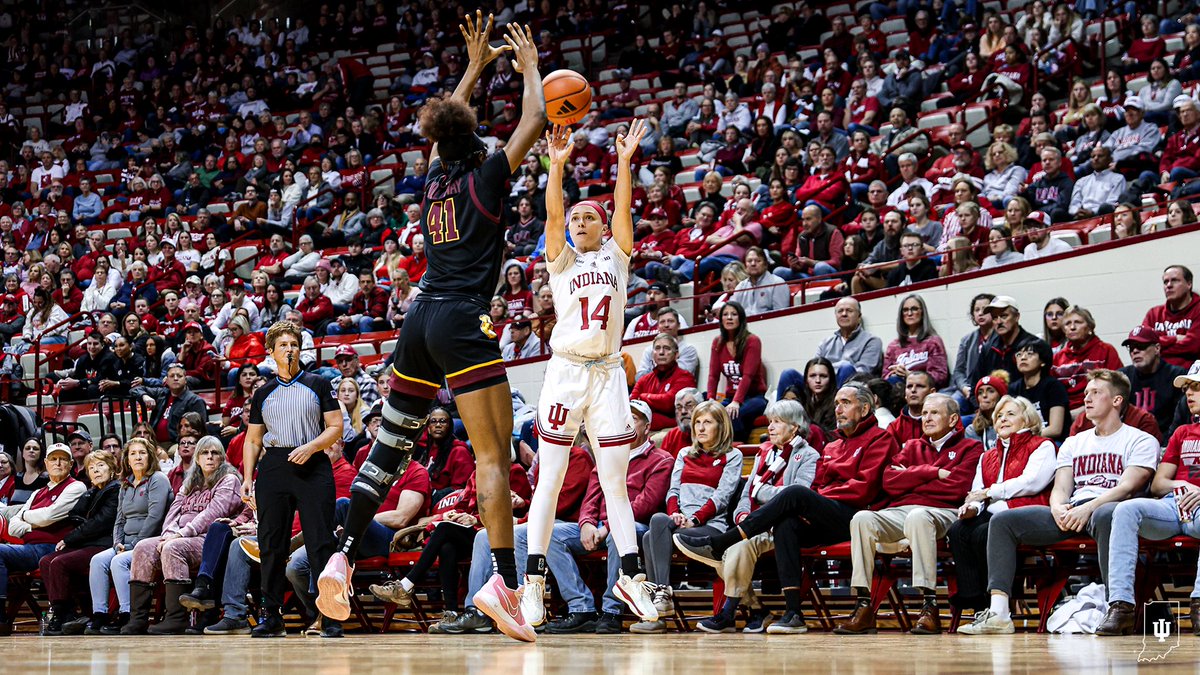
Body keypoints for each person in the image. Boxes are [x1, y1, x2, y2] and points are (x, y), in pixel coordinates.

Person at [317, 13, 549, 643]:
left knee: (389, 448)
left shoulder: (435, 176)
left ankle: (338, 554)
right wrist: (528, 67)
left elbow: (445, 123)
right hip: (460, 320)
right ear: (478, 146)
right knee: (494, 455)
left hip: (415, 318)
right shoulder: (484, 174)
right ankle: (503, 584)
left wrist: (473, 68)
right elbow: (534, 121)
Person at [509, 119, 658, 628]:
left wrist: (622, 162)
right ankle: (532, 584)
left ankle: (632, 577)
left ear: (601, 224)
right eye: (573, 219)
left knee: (615, 481)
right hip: (567, 372)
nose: (577, 223)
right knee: (548, 477)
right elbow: (553, 211)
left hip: (610, 374)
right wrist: (556, 165)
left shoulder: (617, 256)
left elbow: (623, 210)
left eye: (586, 218)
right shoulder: (561, 263)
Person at [673, 383, 897, 634]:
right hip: (814, 516)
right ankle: (792, 613)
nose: (838, 409)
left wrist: (814, 495)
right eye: (836, 404)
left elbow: (861, 489)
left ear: (865, 408)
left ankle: (722, 542)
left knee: (795, 494)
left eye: (845, 403)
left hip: (856, 517)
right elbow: (810, 486)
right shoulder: (832, 446)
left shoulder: (880, 438)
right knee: (786, 522)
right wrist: (748, 511)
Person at [958, 371, 1158, 635]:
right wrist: (1058, 507)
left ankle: (1118, 606)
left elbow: (1128, 487)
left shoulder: (1140, 439)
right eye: (1086, 393)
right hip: (1073, 510)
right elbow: (1062, 486)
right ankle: (999, 612)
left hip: (1112, 510)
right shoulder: (1074, 442)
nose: (1086, 398)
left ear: (1117, 400)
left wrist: (1088, 507)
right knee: (1003, 521)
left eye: (1096, 392)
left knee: (1109, 513)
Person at [835, 394, 983, 635]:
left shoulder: (971, 447)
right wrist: (933, 472)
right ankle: (863, 605)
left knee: (919, 517)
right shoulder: (913, 445)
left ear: (953, 418)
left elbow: (958, 487)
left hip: (944, 511)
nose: (927, 418)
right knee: (862, 518)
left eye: (934, 413)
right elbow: (889, 481)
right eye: (924, 413)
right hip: (900, 510)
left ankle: (929, 606)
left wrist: (911, 477)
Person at [242, 321, 343, 638]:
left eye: (294, 344)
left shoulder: (319, 383)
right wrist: (247, 478)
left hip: (312, 464)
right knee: (271, 545)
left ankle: (328, 616)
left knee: (321, 542)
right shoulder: (263, 392)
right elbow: (253, 440)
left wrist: (312, 446)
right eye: (283, 344)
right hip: (273, 467)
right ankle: (271, 616)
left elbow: (336, 426)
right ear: (270, 352)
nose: (290, 349)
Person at [694, 400, 820, 633]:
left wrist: (762, 493)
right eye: (769, 422)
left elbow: (798, 495)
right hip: (754, 524)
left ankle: (728, 612)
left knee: (736, 547)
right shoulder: (765, 453)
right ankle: (755, 611)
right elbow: (746, 492)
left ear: (794, 427)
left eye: (777, 422)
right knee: (730, 550)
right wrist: (743, 513)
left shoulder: (809, 455)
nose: (770, 427)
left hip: (785, 527)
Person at [1095, 366, 1200, 635]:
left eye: (1196, 387)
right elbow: (1159, 483)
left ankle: (1199, 604)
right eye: (1187, 387)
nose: (1189, 393)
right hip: (1173, 506)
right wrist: (1183, 484)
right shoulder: (1182, 432)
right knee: (1126, 509)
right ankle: (1121, 606)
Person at [631, 401, 743, 634]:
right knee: (656, 524)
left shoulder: (733, 456)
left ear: (721, 426)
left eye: (707, 423)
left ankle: (657, 611)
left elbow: (723, 496)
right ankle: (662, 600)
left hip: (711, 526)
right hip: (680, 522)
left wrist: (695, 519)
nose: (700, 428)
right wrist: (675, 513)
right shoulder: (684, 453)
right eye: (697, 423)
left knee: (651, 535)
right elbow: (673, 491)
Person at [121, 436, 241, 636]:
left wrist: (178, 535)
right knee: (142, 547)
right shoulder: (190, 482)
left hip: (208, 539)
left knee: (173, 548)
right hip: (178, 535)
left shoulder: (229, 480)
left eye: (215, 453)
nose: (210, 457)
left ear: (222, 458)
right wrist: (168, 533)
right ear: (197, 458)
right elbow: (173, 511)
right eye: (204, 452)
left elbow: (211, 514)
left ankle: (176, 618)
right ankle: (138, 619)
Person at [947, 395, 1057, 612]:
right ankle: (974, 599)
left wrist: (990, 492)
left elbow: (1032, 483)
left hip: (1026, 512)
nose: (1002, 419)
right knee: (958, 530)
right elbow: (978, 492)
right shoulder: (987, 455)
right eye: (998, 416)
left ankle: (995, 600)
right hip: (995, 512)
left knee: (983, 533)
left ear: (1026, 419)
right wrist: (972, 508)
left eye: (1010, 414)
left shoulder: (1043, 446)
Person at [85, 437, 172, 635]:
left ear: (150, 456)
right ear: (127, 460)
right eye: (133, 453)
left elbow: (155, 518)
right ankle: (100, 615)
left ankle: (127, 614)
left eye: (142, 452)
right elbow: (119, 519)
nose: (138, 457)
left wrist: (133, 544)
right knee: (98, 560)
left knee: (119, 562)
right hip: (126, 543)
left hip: (152, 541)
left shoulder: (158, 479)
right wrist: (117, 543)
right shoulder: (126, 484)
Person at [0, 443, 86, 634]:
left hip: (53, 548)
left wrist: (26, 519)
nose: (57, 463)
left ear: (71, 464)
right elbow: (13, 526)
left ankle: (1, 617)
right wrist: (34, 521)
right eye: (53, 459)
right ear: (46, 463)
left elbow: (49, 516)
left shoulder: (76, 486)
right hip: (30, 549)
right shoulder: (38, 492)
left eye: (62, 459)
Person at [39, 450, 119, 635]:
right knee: (45, 561)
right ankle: (68, 613)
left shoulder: (115, 490)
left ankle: (59, 614)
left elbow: (101, 523)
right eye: (91, 467)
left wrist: (69, 538)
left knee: (60, 563)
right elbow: (74, 516)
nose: (96, 470)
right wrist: (82, 527)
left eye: (101, 465)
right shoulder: (92, 492)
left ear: (112, 468)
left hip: (104, 544)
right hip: (87, 543)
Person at [707, 302, 768, 442]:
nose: (729, 318)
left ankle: (739, 448)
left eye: (734, 314)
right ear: (720, 319)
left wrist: (736, 401)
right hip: (730, 397)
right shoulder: (717, 342)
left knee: (734, 413)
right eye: (725, 314)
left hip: (754, 397)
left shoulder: (752, 341)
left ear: (740, 318)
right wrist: (710, 399)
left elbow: (748, 376)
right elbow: (713, 375)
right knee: (710, 414)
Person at [1119, 325, 1186, 439]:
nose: (1135, 351)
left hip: (1166, 442)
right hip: (1129, 442)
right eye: (1131, 347)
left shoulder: (1176, 376)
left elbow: (1181, 420)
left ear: (1157, 348)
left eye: (1141, 346)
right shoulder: (1122, 377)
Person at [1051, 306, 1123, 411]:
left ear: (1090, 327)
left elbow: (1118, 386)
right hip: (1064, 412)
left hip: (1099, 409)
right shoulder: (1057, 358)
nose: (1072, 327)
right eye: (1067, 324)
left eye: (1078, 322)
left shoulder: (1106, 350)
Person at [810, 297, 883, 385]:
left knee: (846, 367)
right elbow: (814, 369)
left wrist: (827, 372)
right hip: (825, 388)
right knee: (790, 374)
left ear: (859, 316)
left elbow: (862, 372)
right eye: (840, 311)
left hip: (855, 390)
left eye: (849, 310)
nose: (844, 314)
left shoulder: (872, 341)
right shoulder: (825, 343)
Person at [632, 334, 698, 431]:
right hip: (644, 430)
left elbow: (669, 403)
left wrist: (643, 397)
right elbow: (632, 405)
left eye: (666, 348)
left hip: (672, 429)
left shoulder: (685, 377)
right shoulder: (644, 380)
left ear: (676, 354)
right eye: (657, 348)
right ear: (652, 354)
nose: (661, 352)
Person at [1142, 265, 1200, 368]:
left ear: (1189, 284)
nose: (1169, 285)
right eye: (1165, 282)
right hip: (1158, 375)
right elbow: (1144, 345)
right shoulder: (1153, 314)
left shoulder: (1198, 310)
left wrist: (1157, 345)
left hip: (1191, 376)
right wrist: (1175, 339)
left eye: (1175, 280)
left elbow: (1194, 346)